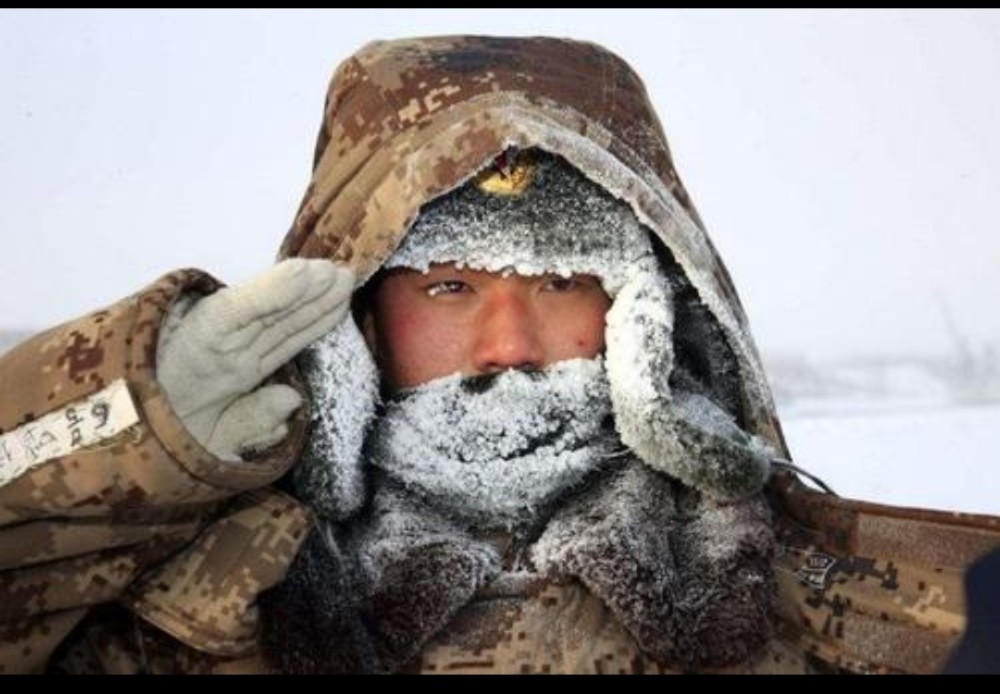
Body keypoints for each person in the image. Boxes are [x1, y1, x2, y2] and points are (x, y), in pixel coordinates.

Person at [2, 35, 990, 675]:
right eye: (448, 287)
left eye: (563, 284)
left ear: (650, 324)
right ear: (355, 331)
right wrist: (125, 426)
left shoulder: (865, 621)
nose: (507, 345)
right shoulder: (168, 624)